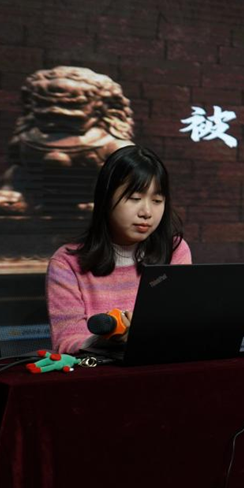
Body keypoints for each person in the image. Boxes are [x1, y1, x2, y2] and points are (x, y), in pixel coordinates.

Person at [46, 144, 191, 353]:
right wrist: (106, 341)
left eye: (157, 200)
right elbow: (66, 341)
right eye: (135, 199)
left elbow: (182, 324)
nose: (147, 212)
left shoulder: (174, 250)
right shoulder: (67, 263)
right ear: (105, 199)